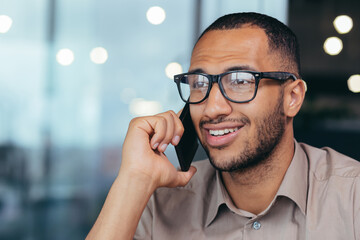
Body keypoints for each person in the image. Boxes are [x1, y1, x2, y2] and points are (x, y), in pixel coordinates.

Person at [86, 12, 360, 240]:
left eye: (240, 81)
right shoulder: (161, 205)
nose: (213, 108)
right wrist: (135, 179)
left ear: (292, 97)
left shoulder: (351, 197)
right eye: (199, 84)